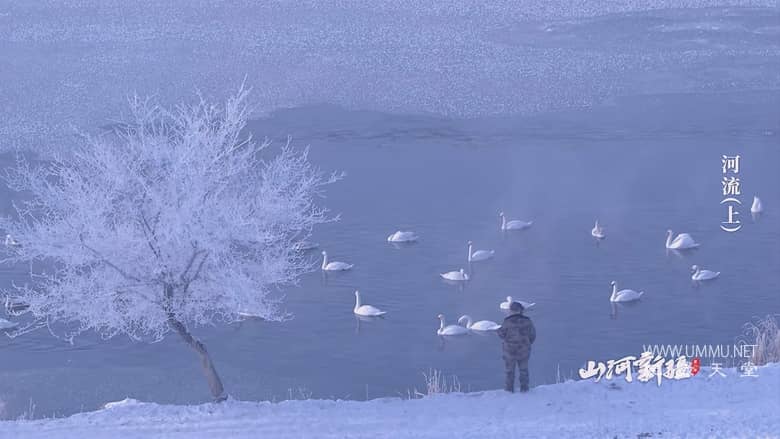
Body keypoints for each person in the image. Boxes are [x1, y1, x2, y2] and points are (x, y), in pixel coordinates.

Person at [497, 301, 536, 392]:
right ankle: (524, 389)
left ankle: (509, 389)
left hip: (509, 351)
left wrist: (498, 331)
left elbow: (502, 334)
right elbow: (533, 335)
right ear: (520, 310)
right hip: (524, 350)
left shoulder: (507, 322)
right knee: (524, 370)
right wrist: (527, 343)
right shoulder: (528, 321)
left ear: (511, 311)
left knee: (509, 371)